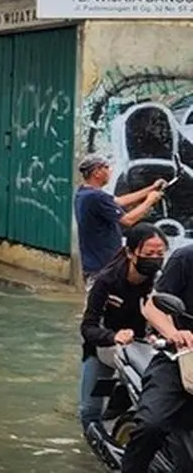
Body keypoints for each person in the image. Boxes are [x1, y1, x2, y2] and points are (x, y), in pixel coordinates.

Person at [78, 224, 167, 436]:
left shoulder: (160, 283)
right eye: (148, 253)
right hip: (104, 348)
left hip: (145, 349)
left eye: (160, 254)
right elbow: (88, 327)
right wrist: (113, 336)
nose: (154, 259)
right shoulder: (106, 282)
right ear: (131, 252)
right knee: (89, 410)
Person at [122, 237, 193, 472]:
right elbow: (153, 306)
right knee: (151, 425)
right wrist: (173, 332)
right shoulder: (186, 258)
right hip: (181, 358)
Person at [76, 154, 165, 291]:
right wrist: (150, 201)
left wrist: (151, 189)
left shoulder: (84, 193)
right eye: (106, 167)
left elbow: (119, 202)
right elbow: (127, 221)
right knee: (103, 306)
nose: (110, 170)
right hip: (104, 265)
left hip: (94, 264)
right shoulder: (97, 197)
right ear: (97, 172)